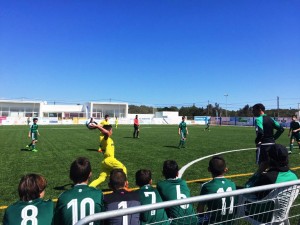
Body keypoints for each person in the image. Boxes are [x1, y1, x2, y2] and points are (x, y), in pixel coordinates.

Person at [53, 157, 104, 225]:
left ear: (71, 175)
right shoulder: (98, 194)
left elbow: (57, 222)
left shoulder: (63, 197)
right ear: (90, 174)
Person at [197, 156, 237, 225]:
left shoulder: (207, 186)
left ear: (209, 169)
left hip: (213, 221)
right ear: (225, 169)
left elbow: (200, 210)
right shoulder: (232, 184)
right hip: (230, 222)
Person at [157, 160, 198, 225]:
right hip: (193, 220)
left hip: (176, 222)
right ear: (177, 173)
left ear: (163, 173)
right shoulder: (183, 182)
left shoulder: (161, 185)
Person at [252, 103, 284, 173]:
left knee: (262, 166)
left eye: (254, 110)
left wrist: (257, 141)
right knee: (271, 165)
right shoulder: (271, 119)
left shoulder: (258, 119)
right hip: (272, 145)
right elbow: (281, 129)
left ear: (259, 110)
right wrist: (274, 138)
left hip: (263, 146)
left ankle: (260, 182)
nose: (253, 112)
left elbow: (260, 132)